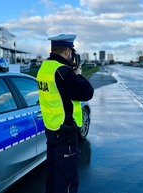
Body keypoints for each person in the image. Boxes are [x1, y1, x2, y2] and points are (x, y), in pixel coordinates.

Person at [37, 34, 94, 193]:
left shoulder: (45, 68)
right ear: (68, 51)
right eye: (71, 52)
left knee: (53, 174)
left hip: (51, 128)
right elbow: (87, 92)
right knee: (67, 179)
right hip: (65, 132)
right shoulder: (63, 72)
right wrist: (78, 75)